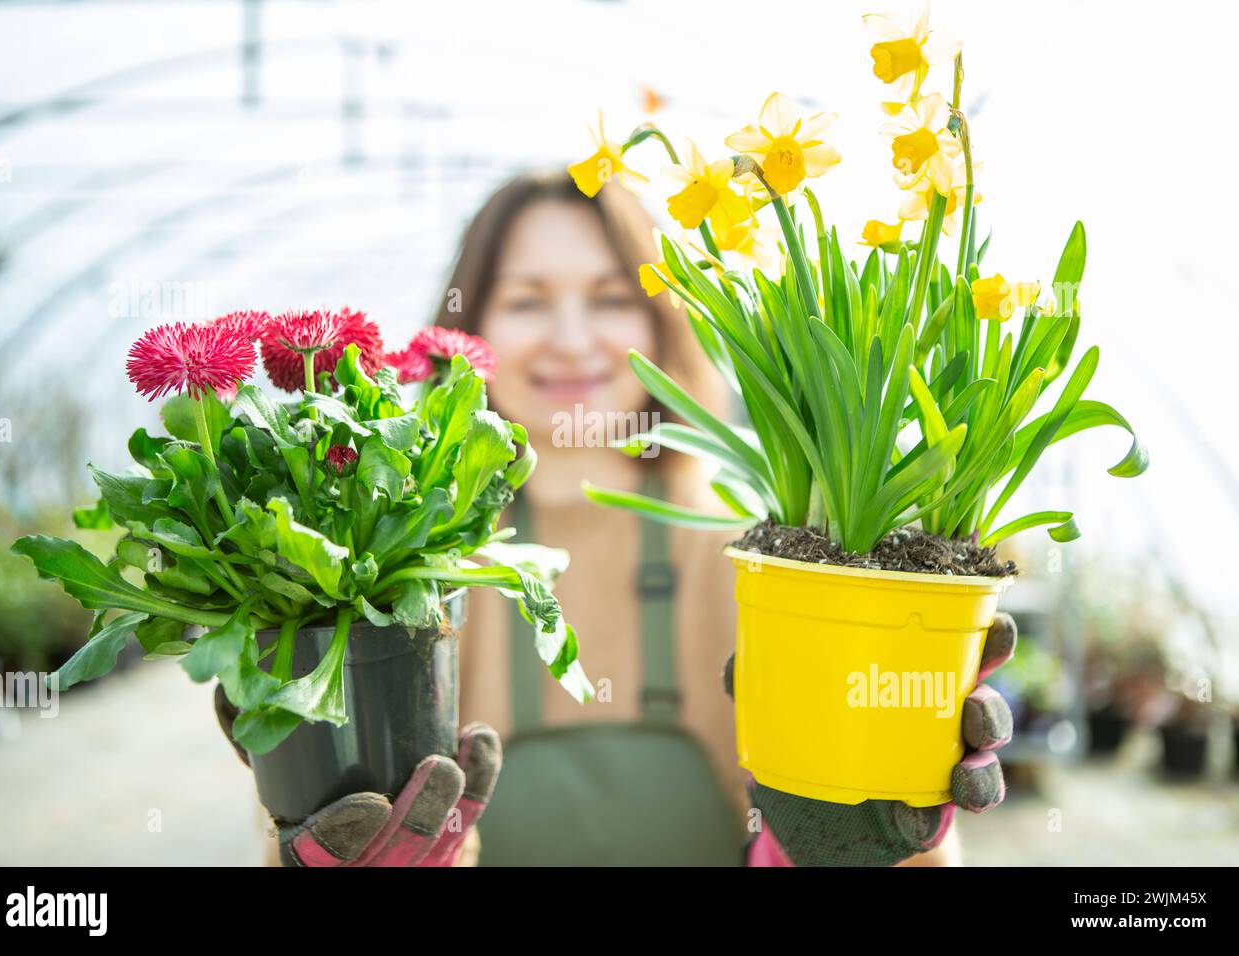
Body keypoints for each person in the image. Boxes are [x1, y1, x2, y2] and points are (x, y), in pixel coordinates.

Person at [219, 172, 1014, 867]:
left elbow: (898, 853)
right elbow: (313, 845)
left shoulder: (763, 567)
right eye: (528, 301)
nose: (572, 340)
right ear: (468, 333)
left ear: (662, 325)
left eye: (610, 299)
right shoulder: (400, 578)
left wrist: (856, 837)